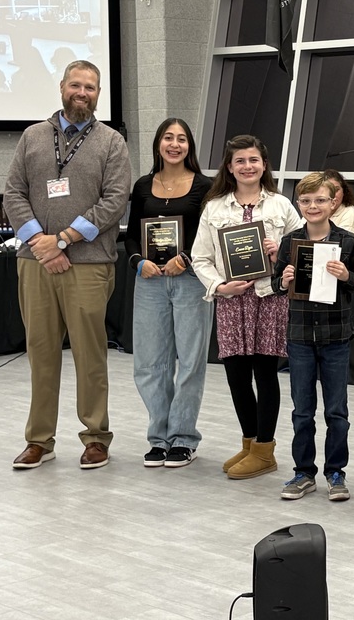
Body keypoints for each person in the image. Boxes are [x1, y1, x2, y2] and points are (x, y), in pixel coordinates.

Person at [4, 60, 130, 470]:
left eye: (90, 87)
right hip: (35, 261)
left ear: (98, 94)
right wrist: (40, 242)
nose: (83, 92)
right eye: (76, 85)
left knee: (89, 354)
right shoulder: (33, 136)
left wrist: (63, 240)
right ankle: (39, 439)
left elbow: (114, 201)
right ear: (61, 87)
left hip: (88, 264)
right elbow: (13, 193)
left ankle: (96, 437)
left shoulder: (111, 142)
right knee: (40, 352)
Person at [192, 135, 300, 479]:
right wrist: (220, 286)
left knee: (265, 374)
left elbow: (303, 250)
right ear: (229, 167)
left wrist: (279, 252)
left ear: (264, 165)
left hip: (268, 298)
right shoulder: (215, 208)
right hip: (231, 300)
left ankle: (265, 450)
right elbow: (200, 257)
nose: (248, 166)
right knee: (237, 376)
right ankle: (250, 442)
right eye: (240, 161)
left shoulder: (281, 205)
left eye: (254, 160)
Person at [271, 172, 354, 502]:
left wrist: (346, 276)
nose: (313, 206)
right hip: (299, 336)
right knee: (302, 410)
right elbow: (274, 285)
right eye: (307, 201)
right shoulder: (290, 242)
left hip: (336, 337)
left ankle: (336, 472)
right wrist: (283, 280)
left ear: (333, 202)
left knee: (337, 411)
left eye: (320, 200)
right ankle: (303, 471)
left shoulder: (348, 241)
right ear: (299, 204)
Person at [124, 118, 214, 468]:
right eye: (167, 138)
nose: (174, 144)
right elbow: (131, 234)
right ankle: (158, 438)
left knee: (190, 362)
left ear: (189, 146)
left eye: (181, 139)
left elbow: (209, 235)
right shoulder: (144, 185)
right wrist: (136, 261)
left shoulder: (205, 186)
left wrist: (187, 258)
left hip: (191, 280)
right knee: (149, 363)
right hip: (149, 281)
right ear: (158, 144)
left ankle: (183, 438)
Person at [322, 168, 354, 259]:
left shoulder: (351, 215)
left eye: (336, 190)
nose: (333, 195)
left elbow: (340, 249)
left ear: (344, 192)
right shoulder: (315, 211)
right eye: (328, 189)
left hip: (353, 266)